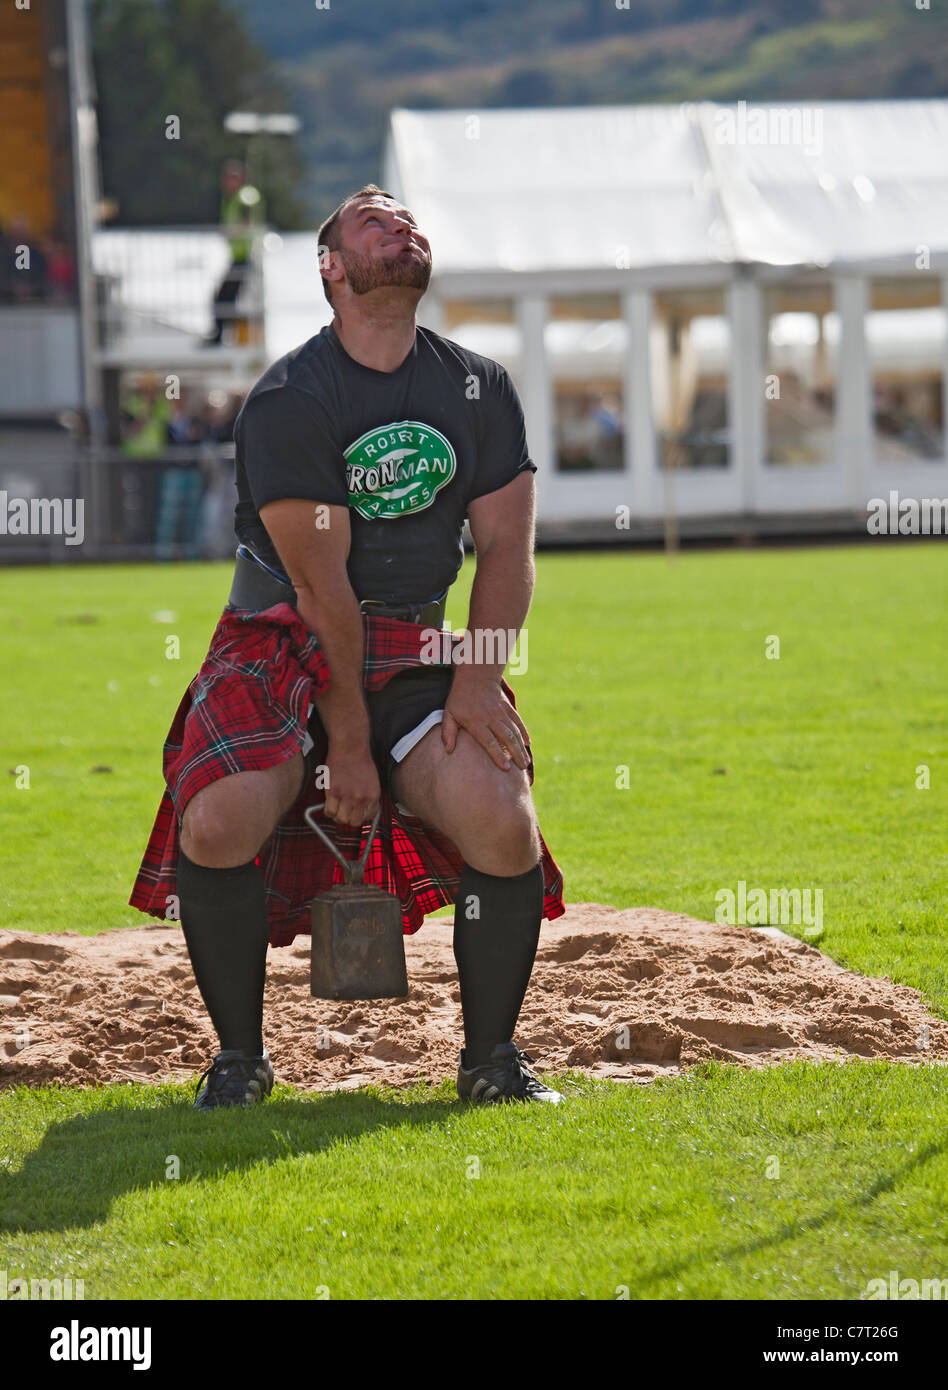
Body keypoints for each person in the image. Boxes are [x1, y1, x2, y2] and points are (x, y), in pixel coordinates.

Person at [130, 183, 566, 1109]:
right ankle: (239, 1061)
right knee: (220, 819)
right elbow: (320, 591)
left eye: (408, 219)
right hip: (282, 639)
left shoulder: (478, 385)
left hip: (417, 645)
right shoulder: (291, 397)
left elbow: (506, 550)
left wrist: (478, 681)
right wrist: (352, 749)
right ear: (331, 267)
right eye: (374, 220)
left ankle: (491, 1062)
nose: (401, 226)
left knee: (503, 820)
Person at [206, 159, 264, 345]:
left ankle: (221, 337)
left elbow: (247, 219)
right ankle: (226, 336)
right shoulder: (232, 198)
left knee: (225, 298)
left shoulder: (244, 196)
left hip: (245, 257)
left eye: (233, 177)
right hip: (238, 257)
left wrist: (237, 229)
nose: (228, 182)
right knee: (226, 298)